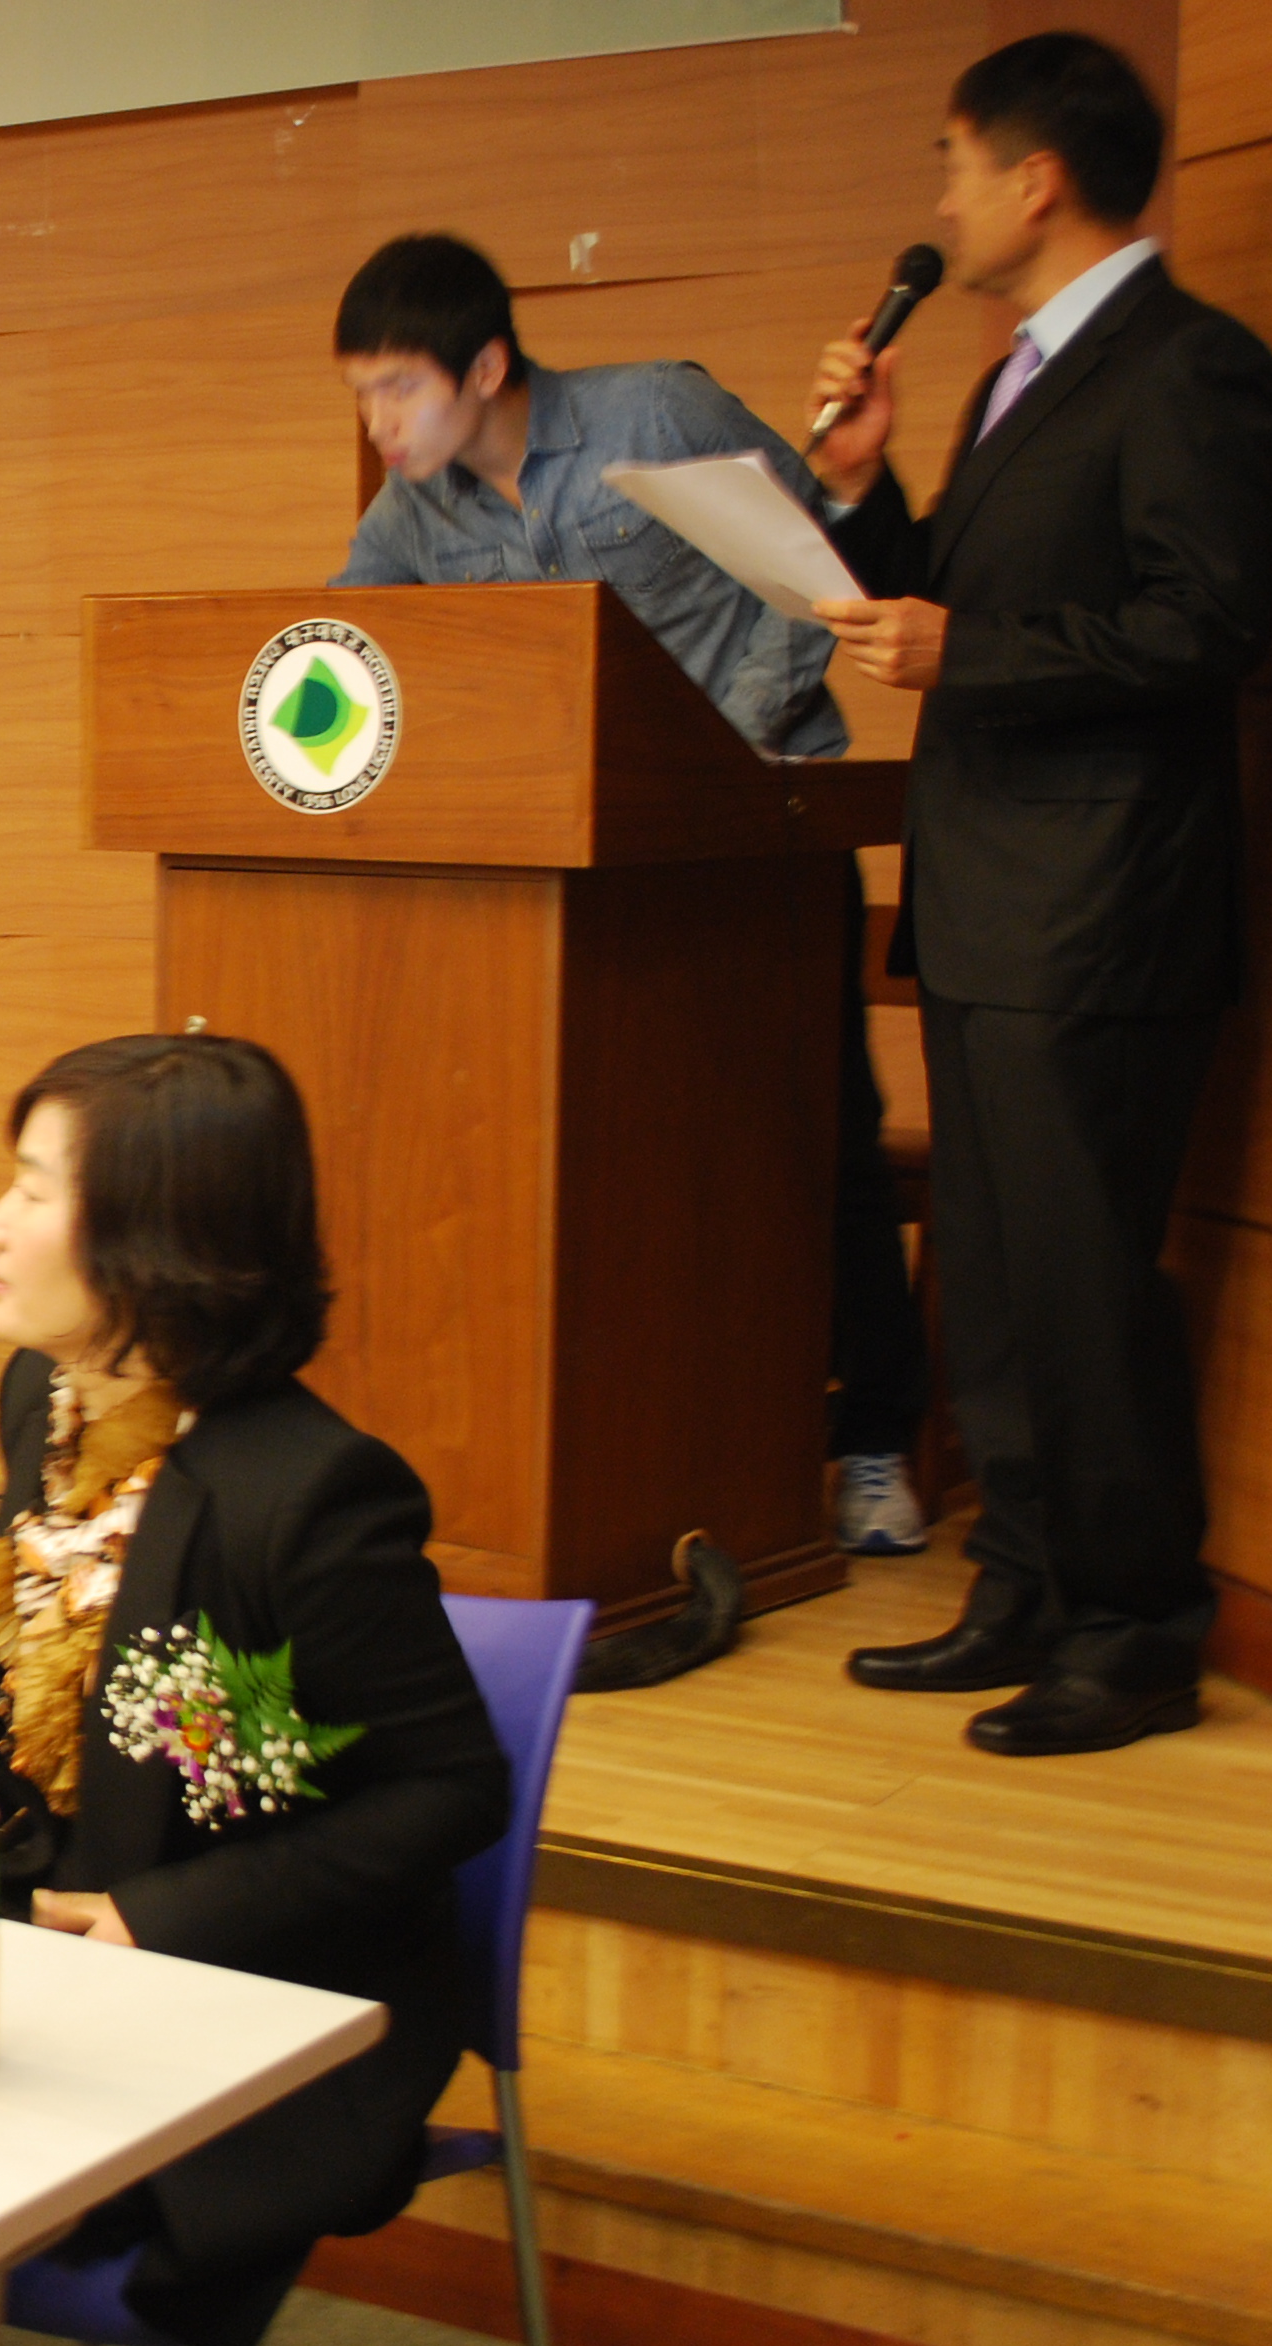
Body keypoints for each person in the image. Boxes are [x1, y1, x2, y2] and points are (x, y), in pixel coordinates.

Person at [0, 1033, 509, 2346]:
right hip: (60, 1921)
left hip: (262, 1983)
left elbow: (452, 1792)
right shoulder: (42, 1396)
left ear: (152, 1240)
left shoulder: (309, 1493)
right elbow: (38, 1701)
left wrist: (156, 1916)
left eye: (30, 1190)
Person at [804, 32, 1272, 1756]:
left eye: (953, 165)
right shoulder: (1018, 373)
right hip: (996, 894)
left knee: (1085, 1281)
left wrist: (968, 650)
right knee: (1002, 1285)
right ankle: (1018, 1582)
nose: (939, 205)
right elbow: (949, 607)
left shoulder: (1191, 365)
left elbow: (1204, 625)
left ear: (1035, 177)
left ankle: (1137, 1626)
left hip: (1102, 906)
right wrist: (865, 493)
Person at [331, 231, 934, 1558]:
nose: (379, 425)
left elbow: (810, 572)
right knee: (629, 1157)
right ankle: (686, 1431)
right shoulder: (415, 511)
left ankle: (875, 1438)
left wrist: (711, 762)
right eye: (362, 396)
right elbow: (339, 646)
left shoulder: (652, 413)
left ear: (486, 366)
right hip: (584, 876)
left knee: (810, 1137)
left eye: (398, 389)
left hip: (753, 841)